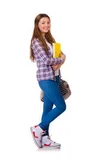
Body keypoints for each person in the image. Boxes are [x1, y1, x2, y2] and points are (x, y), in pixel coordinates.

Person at [29, 13, 66, 149]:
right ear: (37, 25)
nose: (46, 25)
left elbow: (61, 55)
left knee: (47, 109)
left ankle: (45, 138)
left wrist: (60, 61)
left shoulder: (50, 40)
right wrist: (61, 60)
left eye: (48, 22)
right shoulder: (36, 41)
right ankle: (38, 128)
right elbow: (46, 60)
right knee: (61, 106)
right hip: (45, 78)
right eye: (43, 23)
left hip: (55, 77)